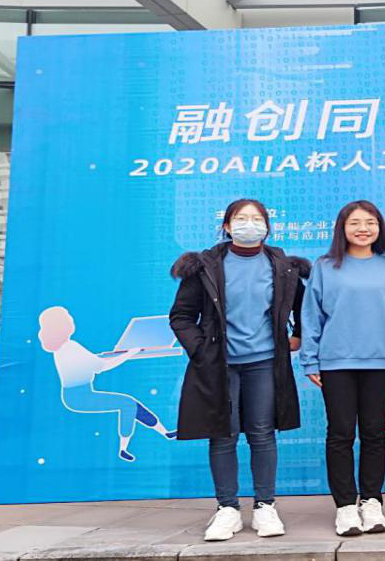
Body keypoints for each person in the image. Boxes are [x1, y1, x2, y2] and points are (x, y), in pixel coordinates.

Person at [170, 198, 308, 542]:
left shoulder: (283, 266)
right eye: (241, 218)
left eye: (257, 218)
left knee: (262, 433)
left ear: (267, 226)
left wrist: (298, 335)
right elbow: (181, 316)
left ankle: (265, 506)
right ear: (227, 226)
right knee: (223, 434)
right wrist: (201, 349)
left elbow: (304, 306)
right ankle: (227, 509)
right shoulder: (205, 266)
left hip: (264, 362)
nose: (250, 224)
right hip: (220, 365)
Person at [301, 200, 385, 537]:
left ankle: (372, 501)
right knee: (341, 433)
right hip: (336, 362)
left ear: (380, 228)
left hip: (380, 361)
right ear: (342, 228)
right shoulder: (324, 267)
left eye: (370, 223)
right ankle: (346, 505)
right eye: (355, 223)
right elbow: (311, 316)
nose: (363, 229)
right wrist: (310, 359)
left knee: (375, 433)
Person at [38, 306, 175, 459]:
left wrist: (111, 355)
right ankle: (123, 449)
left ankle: (164, 432)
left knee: (131, 404)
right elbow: (102, 367)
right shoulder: (71, 347)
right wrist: (129, 353)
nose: (71, 320)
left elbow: (90, 361)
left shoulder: (64, 348)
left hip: (75, 395)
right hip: (79, 397)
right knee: (127, 404)